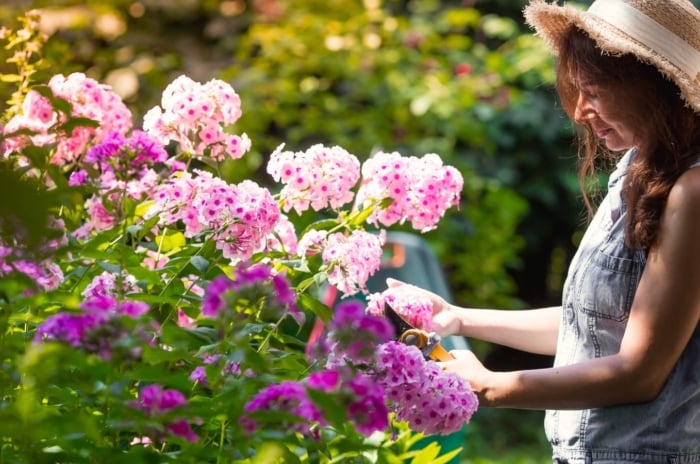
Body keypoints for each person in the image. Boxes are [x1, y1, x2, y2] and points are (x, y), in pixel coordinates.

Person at [388, 0, 700, 462]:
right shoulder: (639, 171)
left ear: (650, 85)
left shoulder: (692, 192)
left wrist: (492, 386)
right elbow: (592, 325)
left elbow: (640, 372)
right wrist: (457, 317)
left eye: (592, 90)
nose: (578, 111)